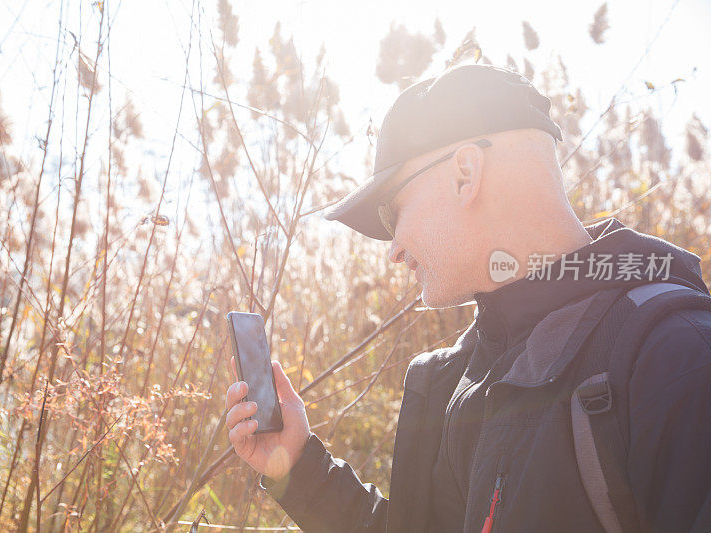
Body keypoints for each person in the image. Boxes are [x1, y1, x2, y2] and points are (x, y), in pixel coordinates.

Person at [224, 64, 711, 532]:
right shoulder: (455, 378)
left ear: (465, 174)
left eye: (394, 215)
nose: (393, 250)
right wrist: (300, 465)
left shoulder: (674, 358)